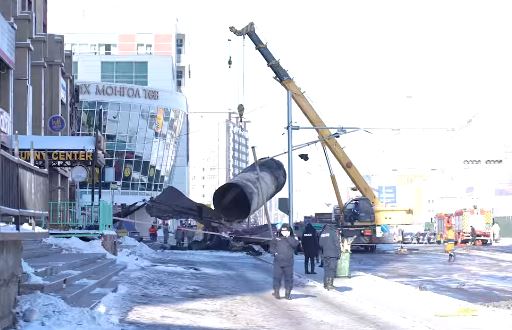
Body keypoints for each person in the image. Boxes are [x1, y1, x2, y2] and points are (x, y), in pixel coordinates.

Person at [269, 223, 300, 300]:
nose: (284, 232)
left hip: (288, 262)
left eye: (286, 231)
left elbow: (295, 245)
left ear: (289, 231)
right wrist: (274, 253)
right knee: (277, 277)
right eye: (283, 230)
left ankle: (287, 294)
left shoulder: (293, 238)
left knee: (289, 278)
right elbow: (272, 246)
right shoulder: (277, 237)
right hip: (278, 261)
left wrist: (288, 237)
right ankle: (276, 292)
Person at [318, 223, 341, 290]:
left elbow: (320, 244)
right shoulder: (333, 233)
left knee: (326, 269)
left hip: (325, 254)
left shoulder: (322, 233)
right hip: (333, 254)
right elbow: (337, 243)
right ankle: (330, 284)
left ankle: (325, 284)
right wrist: (339, 253)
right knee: (332, 269)